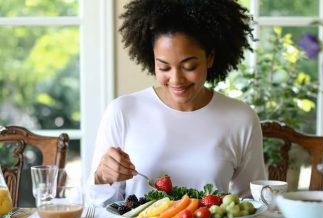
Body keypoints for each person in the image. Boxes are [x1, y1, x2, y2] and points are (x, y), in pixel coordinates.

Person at [87, 0, 266, 205]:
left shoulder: (241, 118)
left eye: (189, 66)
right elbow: (99, 206)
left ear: (210, 58)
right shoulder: (122, 111)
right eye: (164, 67)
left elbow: (253, 201)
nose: (176, 79)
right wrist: (102, 177)